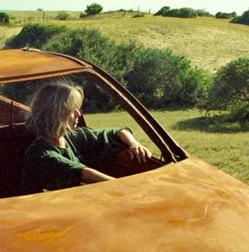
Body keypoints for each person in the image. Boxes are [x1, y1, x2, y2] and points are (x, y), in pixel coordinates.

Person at [21, 82, 152, 194]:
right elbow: (82, 172)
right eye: (73, 110)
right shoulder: (38, 154)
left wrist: (134, 144)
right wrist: (128, 188)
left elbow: (117, 132)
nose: (79, 114)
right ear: (57, 113)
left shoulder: (70, 137)